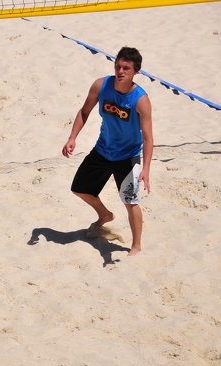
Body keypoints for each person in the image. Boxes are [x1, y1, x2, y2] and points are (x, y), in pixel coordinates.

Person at [62, 46, 153, 255]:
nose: (120, 71)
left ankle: (136, 245)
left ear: (135, 72)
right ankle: (104, 215)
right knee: (79, 188)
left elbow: (148, 138)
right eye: (118, 66)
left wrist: (146, 169)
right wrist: (72, 138)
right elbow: (84, 112)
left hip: (128, 156)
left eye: (126, 68)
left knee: (131, 202)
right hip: (103, 149)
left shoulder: (140, 100)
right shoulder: (101, 85)